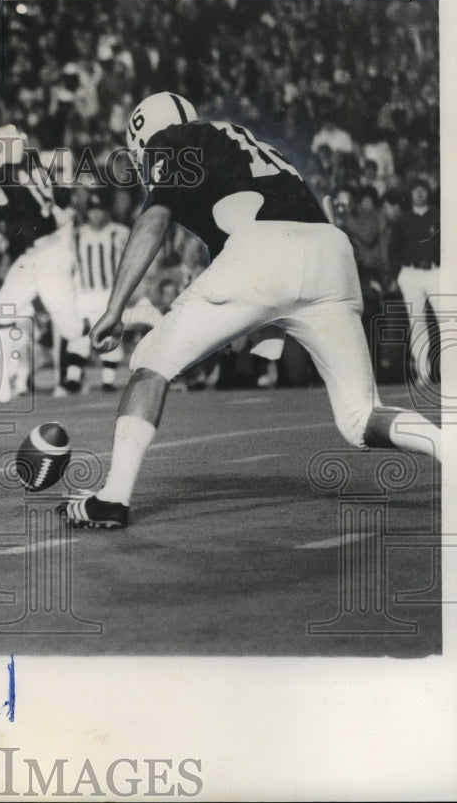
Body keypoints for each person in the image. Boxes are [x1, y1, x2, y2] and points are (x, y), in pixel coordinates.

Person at [63, 92, 442, 530]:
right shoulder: (245, 143)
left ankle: (112, 498)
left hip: (264, 251)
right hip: (329, 254)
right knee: (360, 417)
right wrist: (267, 327)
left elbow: (154, 221)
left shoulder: (172, 140)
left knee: (150, 362)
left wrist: (115, 308)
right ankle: (446, 445)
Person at [0, 124, 88, 399]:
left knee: (72, 329)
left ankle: (129, 317)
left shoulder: (5, 175)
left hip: (47, 256)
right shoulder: (33, 165)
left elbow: (1, 219)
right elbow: (60, 200)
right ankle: (2, 384)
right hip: (39, 253)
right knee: (2, 311)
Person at [72, 190, 160, 392]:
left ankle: (105, 381)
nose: (95, 215)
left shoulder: (119, 232)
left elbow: (135, 258)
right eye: (92, 210)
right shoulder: (78, 234)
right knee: (83, 334)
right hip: (86, 294)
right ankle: (77, 378)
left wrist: (136, 288)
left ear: (106, 212)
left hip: (110, 293)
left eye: (99, 210)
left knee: (106, 332)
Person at [387, 179, 441, 386]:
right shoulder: (402, 220)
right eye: (415, 190)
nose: (419, 194)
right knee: (417, 322)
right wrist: (398, 274)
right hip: (410, 273)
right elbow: (392, 250)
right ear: (410, 195)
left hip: (436, 271)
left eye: (423, 190)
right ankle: (423, 373)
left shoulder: (438, 215)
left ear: (428, 193)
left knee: (448, 321)